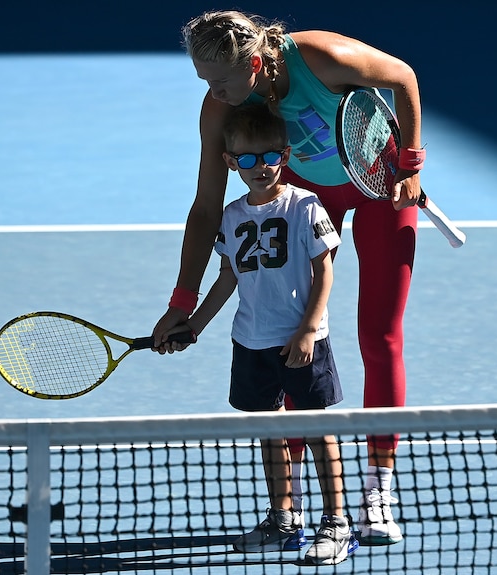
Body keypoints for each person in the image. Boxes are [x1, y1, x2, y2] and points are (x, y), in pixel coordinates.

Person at [154, 9, 424, 545]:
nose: (214, 91)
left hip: (379, 184)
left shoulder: (323, 58)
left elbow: (404, 77)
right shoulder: (219, 111)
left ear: (255, 62)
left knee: (380, 335)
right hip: (308, 195)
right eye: (205, 79)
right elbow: (207, 210)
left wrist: (411, 166)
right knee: (284, 337)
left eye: (222, 78)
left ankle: (377, 490)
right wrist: (183, 301)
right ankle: (289, 507)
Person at [165, 102, 356, 565]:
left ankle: (337, 523)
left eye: (269, 156)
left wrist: (309, 328)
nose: (259, 167)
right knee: (269, 430)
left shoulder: (305, 206)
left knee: (317, 431)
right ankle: (283, 518)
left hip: (301, 340)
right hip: (250, 342)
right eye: (246, 159)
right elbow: (228, 278)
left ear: (284, 155)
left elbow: (324, 271)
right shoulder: (230, 217)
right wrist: (194, 324)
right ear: (231, 162)